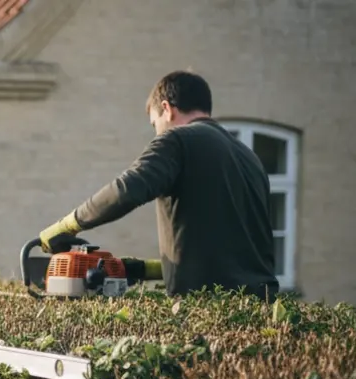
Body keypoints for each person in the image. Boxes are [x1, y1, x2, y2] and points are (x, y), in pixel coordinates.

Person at [37, 71, 280, 299]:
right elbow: (231, 246)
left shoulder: (179, 139)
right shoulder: (251, 159)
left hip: (206, 306)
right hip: (259, 306)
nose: (157, 133)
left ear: (167, 109)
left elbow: (126, 189)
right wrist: (147, 269)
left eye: (155, 124)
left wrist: (69, 225)